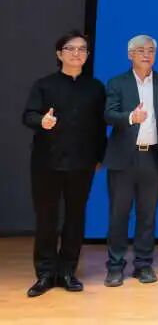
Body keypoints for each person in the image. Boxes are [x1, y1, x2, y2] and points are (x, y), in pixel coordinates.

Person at [21, 31, 106, 297]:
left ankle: (68, 271)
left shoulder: (95, 88)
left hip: (82, 163)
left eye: (82, 49)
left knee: (75, 218)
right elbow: (28, 115)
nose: (77, 53)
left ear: (87, 55)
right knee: (46, 218)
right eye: (70, 49)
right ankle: (46, 273)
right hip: (46, 162)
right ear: (59, 54)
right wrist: (42, 121)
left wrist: (99, 157)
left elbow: (100, 127)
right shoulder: (44, 85)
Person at [102, 35, 158, 286]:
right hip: (124, 157)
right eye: (141, 50)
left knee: (147, 214)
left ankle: (143, 265)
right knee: (119, 214)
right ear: (130, 55)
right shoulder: (117, 82)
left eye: (151, 50)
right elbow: (109, 114)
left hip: (153, 157)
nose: (146, 55)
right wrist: (131, 118)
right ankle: (115, 266)